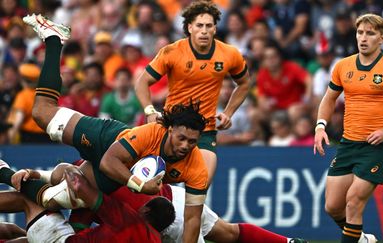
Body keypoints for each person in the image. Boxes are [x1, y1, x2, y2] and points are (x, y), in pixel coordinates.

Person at [21, 13, 210, 243]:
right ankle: (54, 39)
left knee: (55, 198)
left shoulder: (196, 169)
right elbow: (109, 161)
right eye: (182, 138)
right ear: (170, 130)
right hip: (106, 141)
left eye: (192, 142)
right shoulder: (151, 133)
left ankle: (7, 177)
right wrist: (140, 184)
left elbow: (192, 220)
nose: (186, 146)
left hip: (116, 170)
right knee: (42, 114)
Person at [314, 13, 383, 243]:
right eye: (360, 32)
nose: (363, 38)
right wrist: (320, 127)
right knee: (333, 207)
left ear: (381, 38)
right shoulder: (343, 66)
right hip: (347, 144)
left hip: (376, 146)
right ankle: (362, 239)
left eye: (370, 33)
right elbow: (329, 98)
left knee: (353, 201)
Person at [11, 161, 308, 243]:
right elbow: (61, 176)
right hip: (175, 199)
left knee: (33, 208)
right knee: (228, 233)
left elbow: (78, 226)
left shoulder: (85, 193)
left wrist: (35, 177)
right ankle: (288, 242)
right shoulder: (98, 167)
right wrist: (37, 174)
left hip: (170, 221)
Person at [134, 0, 250, 185]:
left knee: (200, 185)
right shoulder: (171, 52)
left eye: (208, 26)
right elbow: (142, 83)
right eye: (199, 25)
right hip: (171, 128)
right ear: (189, 27)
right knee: (157, 185)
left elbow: (244, 83)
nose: (204, 30)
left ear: (215, 28)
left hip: (205, 131)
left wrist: (228, 112)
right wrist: (149, 111)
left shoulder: (230, 54)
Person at [0, 163, 175, 242]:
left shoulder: (128, 218)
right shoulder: (155, 240)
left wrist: (69, 169)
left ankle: (3, 172)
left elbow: (79, 186)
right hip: (68, 236)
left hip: (61, 240)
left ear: (145, 209)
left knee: (28, 199)